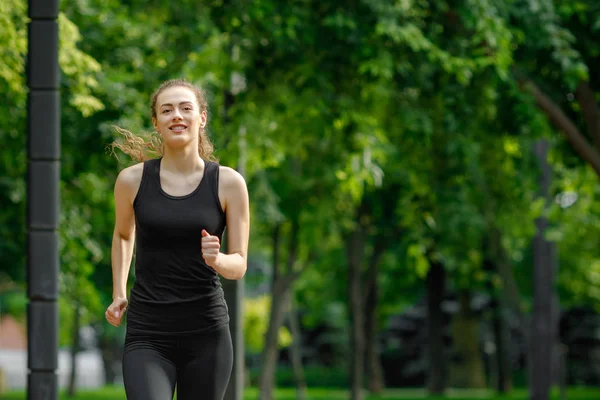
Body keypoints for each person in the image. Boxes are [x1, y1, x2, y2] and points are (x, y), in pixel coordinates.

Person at [104, 78, 250, 400]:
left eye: (186, 108)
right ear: (156, 122)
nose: (177, 116)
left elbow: (238, 265)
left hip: (206, 333)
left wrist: (217, 259)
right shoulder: (132, 181)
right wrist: (118, 292)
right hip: (148, 332)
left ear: (202, 118)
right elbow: (123, 234)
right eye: (166, 110)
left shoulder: (228, 183)